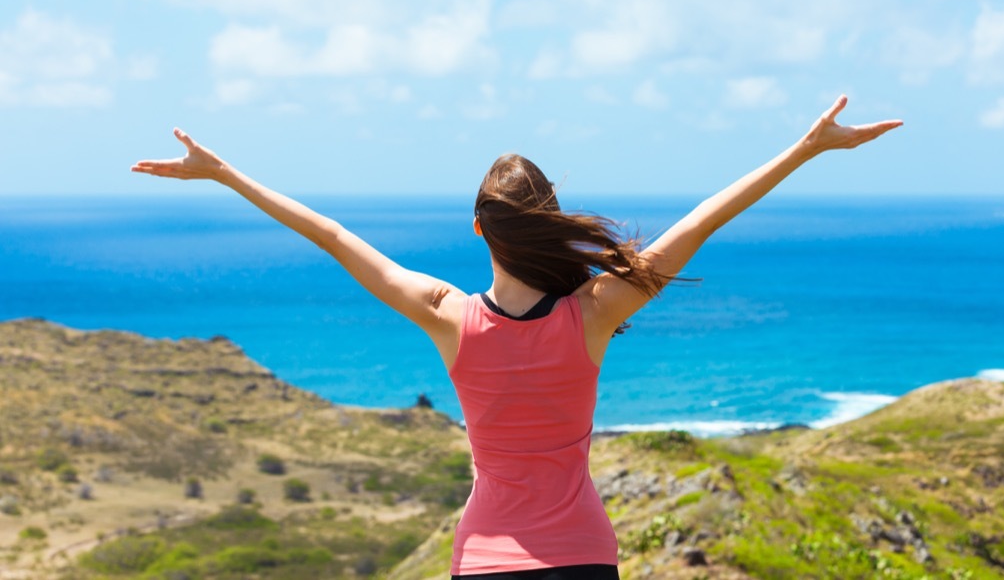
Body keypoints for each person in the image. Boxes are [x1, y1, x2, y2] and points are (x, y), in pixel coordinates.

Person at [132, 95, 901, 579]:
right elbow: (703, 218)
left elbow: (333, 235)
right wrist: (806, 149)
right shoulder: (594, 310)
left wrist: (227, 174)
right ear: (552, 217)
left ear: (478, 228)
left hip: (487, 558)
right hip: (587, 557)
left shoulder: (447, 315)